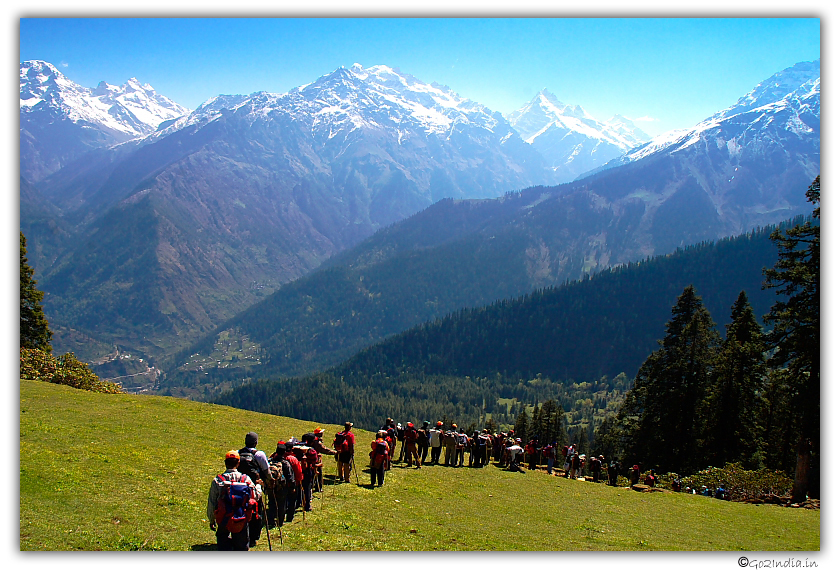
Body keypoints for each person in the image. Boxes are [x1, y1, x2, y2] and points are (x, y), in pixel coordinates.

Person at [207, 450, 257, 551]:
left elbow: (212, 502)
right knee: (241, 547)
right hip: (241, 517)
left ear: (225, 463)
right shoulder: (245, 479)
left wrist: (211, 519)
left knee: (223, 544)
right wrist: (259, 486)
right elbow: (255, 496)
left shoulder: (218, 480)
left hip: (223, 516)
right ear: (238, 463)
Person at [238, 432, 270, 548]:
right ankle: (253, 537)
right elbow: (266, 471)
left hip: (239, 487)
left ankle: (239, 534)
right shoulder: (259, 454)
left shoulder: (238, 453)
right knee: (256, 512)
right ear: (256, 442)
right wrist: (267, 482)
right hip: (254, 488)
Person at [267, 441, 293, 529]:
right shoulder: (285, 463)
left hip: (271, 486)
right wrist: (292, 487)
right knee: (281, 504)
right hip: (282, 487)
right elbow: (289, 477)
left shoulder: (270, 461)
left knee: (271, 503)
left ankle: (271, 520)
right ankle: (280, 521)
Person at [283, 443, 303, 522]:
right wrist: (300, 479)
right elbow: (298, 472)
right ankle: (289, 517)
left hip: (281, 483)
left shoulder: (278, 456)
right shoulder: (293, 459)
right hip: (292, 483)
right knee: (292, 501)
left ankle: (280, 515)